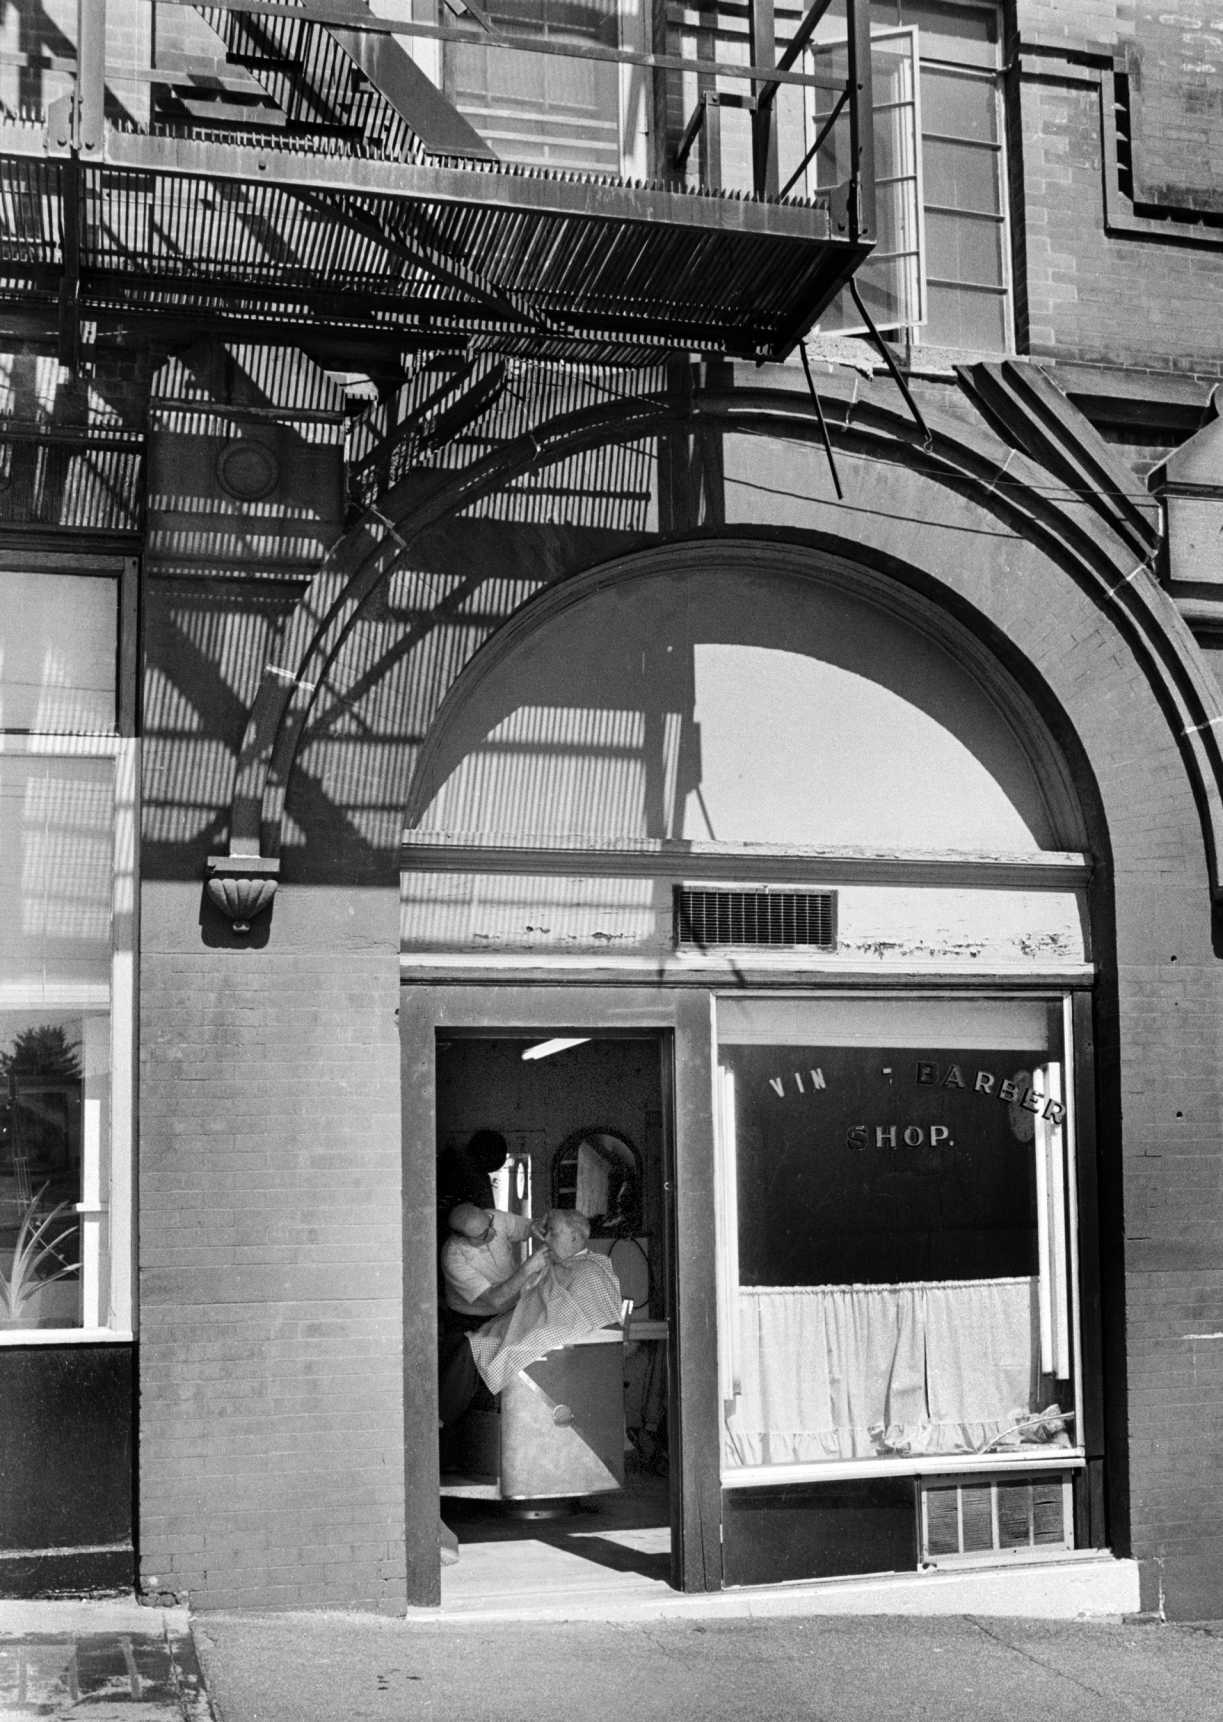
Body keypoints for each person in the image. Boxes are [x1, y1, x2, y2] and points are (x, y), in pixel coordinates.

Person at [468, 1208, 624, 1396]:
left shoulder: (590, 1271)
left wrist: (529, 1337)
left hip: (557, 1350)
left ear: (574, 1237)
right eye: (546, 1232)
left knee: (470, 1352)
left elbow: (577, 1323)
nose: (545, 1238)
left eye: (553, 1232)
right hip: (519, 1331)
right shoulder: (558, 1264)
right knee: (467, 1347)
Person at [438, 1202, 549, 1436]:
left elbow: (528, 1227)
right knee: (466, 1367)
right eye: (482, 1236)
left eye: (489, 1225)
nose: (493, 1234)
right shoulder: (453, 1257)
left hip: (510, 1311)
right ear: (461, 1238)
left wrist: (541, 1228)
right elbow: (495, 1299)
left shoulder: (494, 1219)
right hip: (471, 1318)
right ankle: (451, 1436)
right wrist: (528, 1268)